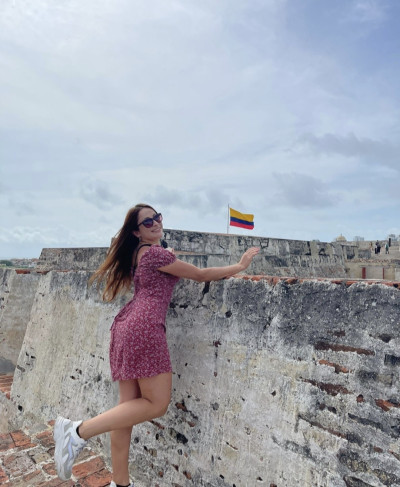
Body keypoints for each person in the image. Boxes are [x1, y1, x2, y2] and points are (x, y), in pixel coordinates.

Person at [53, 203, 259, 486]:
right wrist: (240, 266)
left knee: (125, 411)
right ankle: (78, 432)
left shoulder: (141, 253)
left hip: (127, 325)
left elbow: (159, 266)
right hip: (145, 328)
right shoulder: (155, 254)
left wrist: (167, 253)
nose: (156, 223)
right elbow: (200, 274)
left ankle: (120, 483)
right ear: (137, 232)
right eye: (148, 222)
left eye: (157, 217)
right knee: (156, 404)